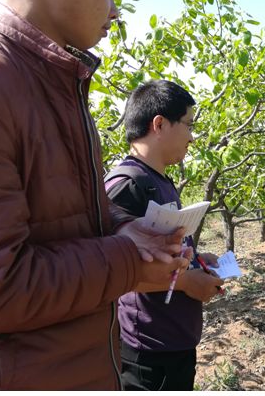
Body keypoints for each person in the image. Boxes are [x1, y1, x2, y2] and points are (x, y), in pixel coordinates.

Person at [0, 0, 188, 390]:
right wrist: (130, 259)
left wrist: (126, 229)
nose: (115, 10)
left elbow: (60, 223)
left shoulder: (55, 85)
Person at [104, 80, 225, 390]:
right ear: (159, 124)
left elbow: (161, 251)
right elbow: (108, 272)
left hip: (174, 341)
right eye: (188, 124)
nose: (193, 137)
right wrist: (188, 282)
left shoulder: (159, 181)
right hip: (146, 351)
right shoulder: (126, 185)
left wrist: (196, 261)